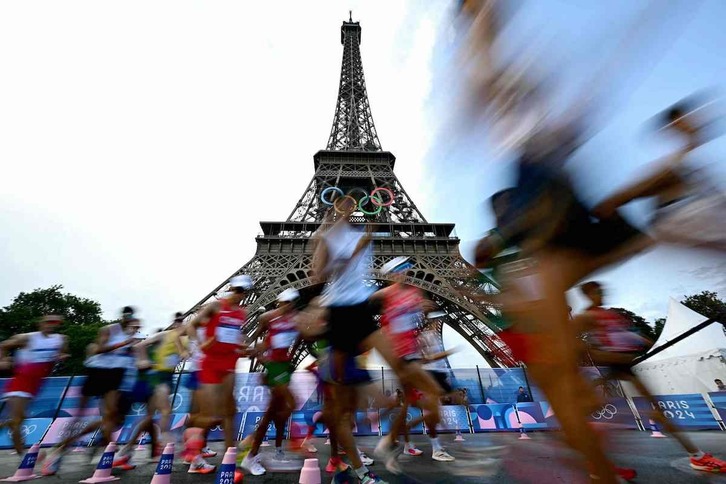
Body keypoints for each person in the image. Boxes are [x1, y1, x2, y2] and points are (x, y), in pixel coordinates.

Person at [576, 281, 726, 473]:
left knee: (658, 411)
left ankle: (697, 456)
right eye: (597, 292)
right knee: (592, 412)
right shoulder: (585, 317)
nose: (602, 294)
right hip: (613, 365)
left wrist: (648, 342)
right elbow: (578, 347)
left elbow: (627, 335)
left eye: (602, 291)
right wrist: (605, 357)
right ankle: (596, 462)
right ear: (588, 294)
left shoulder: (610, 314)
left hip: (624, 364)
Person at [311, 201, 408, 484]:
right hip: (340, 321)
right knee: (341, 411)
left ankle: (378, 437)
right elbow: (318, 273)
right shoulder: (328, 237)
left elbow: (372, 226)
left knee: (395, 375)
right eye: (340, 204)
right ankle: (356, 468)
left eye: (352, 203)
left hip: (359, 315)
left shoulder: (362, 231)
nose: (347, 207)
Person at [594, 96, 726, 252]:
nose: (700, 120)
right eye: (687, 118)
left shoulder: (700, 163)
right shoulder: (673, 167)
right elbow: (609, 205)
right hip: (682, 233)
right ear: (676, 125)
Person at [371, 256, 453, 471]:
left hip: (412, 354)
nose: (405, 271)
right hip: (401, 356)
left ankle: (389, 441)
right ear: (390, 275)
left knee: (409, 403)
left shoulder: (414, 293)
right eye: (400, 269)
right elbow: (367, 308)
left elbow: (413, 318)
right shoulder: (386, 294)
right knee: (434, 393)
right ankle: (394, 440)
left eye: (407, 268)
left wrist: (422, 306)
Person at [42, 312, 142, 475]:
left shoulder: (133, 343)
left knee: (112, 419)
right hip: (98, 372)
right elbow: (97, 349)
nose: (135, 329)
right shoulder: (111, 331)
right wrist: (124, 343)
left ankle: (108, 450)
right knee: (84, 416)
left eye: (138, 327)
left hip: (118, 379)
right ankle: (58, 451)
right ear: (125, 320)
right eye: (133, 325)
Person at [183, 274, 253, 474]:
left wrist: (242, 347)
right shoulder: (215, 306)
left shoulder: (242, 313)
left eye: (244, 291)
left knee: (230, 412)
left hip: (229, 363)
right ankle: (192, 449)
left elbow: (233, 336)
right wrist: (198, 345)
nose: (240, 294)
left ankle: (230, 458)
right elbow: (191, 325)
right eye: (238, 290)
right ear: (231, 288)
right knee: (210, 415)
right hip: (209, 364)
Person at [240, 288, 301, 476]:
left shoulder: (296, 319)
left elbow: (298, 337)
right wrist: (260, 358)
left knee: (274, 411)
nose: (289, 304)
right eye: (286, 301)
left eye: (292, 301)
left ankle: (257, 448)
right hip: (274, 367)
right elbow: (257, 340)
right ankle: (251, 453)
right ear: (279, 302)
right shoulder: (268, 317)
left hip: (284, 367)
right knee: (291, 403)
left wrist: (291, 356)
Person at [0, 315, 69, 455]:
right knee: (17, 420)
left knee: (19, 419)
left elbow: (61, 353)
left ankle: (22, 455)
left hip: (36, 385)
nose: (51, 325)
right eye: (48, 322)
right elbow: (3, 345)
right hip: (20, 383)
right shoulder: (27, 338)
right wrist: (3, 360)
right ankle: (22, 456)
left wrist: (61, 357)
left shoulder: (61, 339)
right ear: (40, 324)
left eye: (54, 323)